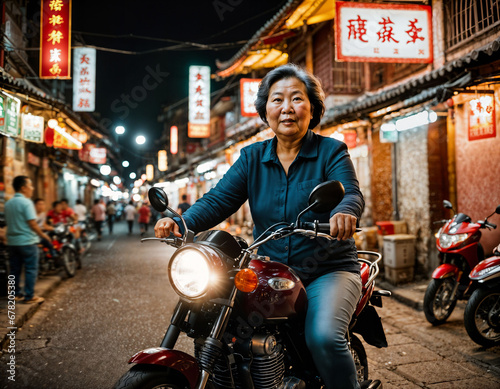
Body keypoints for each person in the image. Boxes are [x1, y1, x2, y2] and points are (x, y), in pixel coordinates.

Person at [155, 64, 370, 389]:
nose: (287, 108)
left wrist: (344, 212)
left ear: (312, 108)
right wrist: (180, 222)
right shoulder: (252, 157)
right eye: (277, 99)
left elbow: (350, 193)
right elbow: (217, 200)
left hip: (328, 269)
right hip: (270, 269)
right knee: (220, 314)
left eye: (297, 99)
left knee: (324, 336)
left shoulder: (331, 151)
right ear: (265, 110)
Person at [5, 176, 52, 304]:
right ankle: (29, 296)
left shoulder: (8, 203)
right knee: (31, 269)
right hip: (27, 242)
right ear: (23, 188)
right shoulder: (27, 203)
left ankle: (14, 294)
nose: (32, 188)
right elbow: (33, 223)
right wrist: (44, 235)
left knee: (14, 269)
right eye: (30, 185)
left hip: (12, 243)